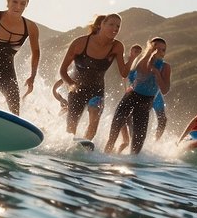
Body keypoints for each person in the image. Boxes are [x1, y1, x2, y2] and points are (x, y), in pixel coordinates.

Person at [57, 13, 128, 142]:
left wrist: (133, 58)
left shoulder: (117, 47)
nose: (115, 28)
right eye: (111, 24)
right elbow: (62, 70)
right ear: (102, 25)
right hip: (77, 90)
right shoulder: (81, 43)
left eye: (118, 26)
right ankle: (68, 149)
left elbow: (124, 73)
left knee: (94, 122)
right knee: (71, 128)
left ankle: (84, 145)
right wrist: (71, 84)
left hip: (97, 91)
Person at [106, 37, 172, 155]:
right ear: (150, 48)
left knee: (138, 141)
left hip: (146, 102)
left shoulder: (166, 67)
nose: (160, 52)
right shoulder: (141, 61)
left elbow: (165, 90)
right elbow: (145, 68)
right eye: (156, 48)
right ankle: (106, 153)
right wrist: (151, 58)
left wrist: (157, 73)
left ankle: (132, 162)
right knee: (116, 125)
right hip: (132, 96)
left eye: (163, 50)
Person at [108, 43, 142, 153]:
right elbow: (124, 74)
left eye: (139, 52)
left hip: (132, 108)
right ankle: (110, 150)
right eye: (135, 51)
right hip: (124, 107)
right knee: (123, 138)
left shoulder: (140, 68)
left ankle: (116, 153)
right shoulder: (127, 66)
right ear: (131, 52)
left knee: (128, 142)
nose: (137, 54)